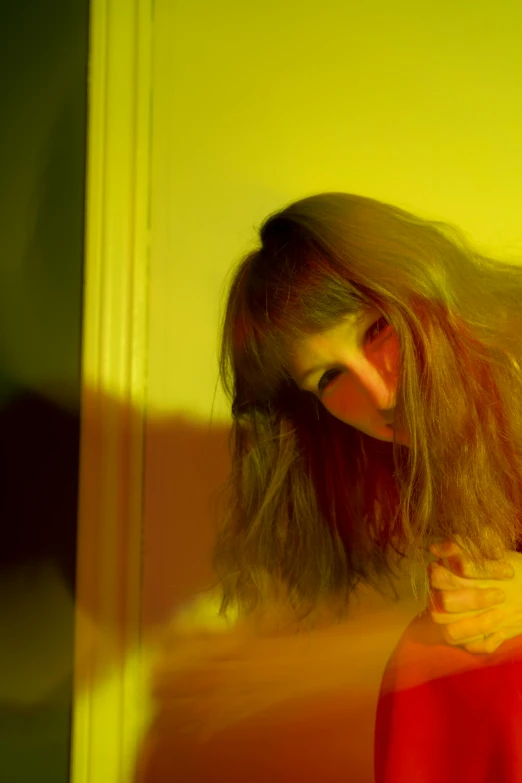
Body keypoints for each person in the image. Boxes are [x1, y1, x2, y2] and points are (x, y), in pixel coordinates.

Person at [138, 192, 522, 782]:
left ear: (424, 288)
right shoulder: (430, 452)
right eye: (330, 376)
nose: (376, 391)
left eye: (375, 330)